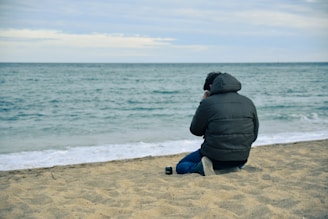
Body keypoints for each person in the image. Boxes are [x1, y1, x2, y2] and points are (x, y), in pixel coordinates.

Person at [176, 72, 259, 176]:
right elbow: (254, 136)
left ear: (211, 86)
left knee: (181, 165)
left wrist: (203, 102)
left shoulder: (207, 103)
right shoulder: (248, 102)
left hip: (215, 158)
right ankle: (228, 168)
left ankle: (203, 168)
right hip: (241, 159)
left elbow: (195, 131)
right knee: (225, 161)